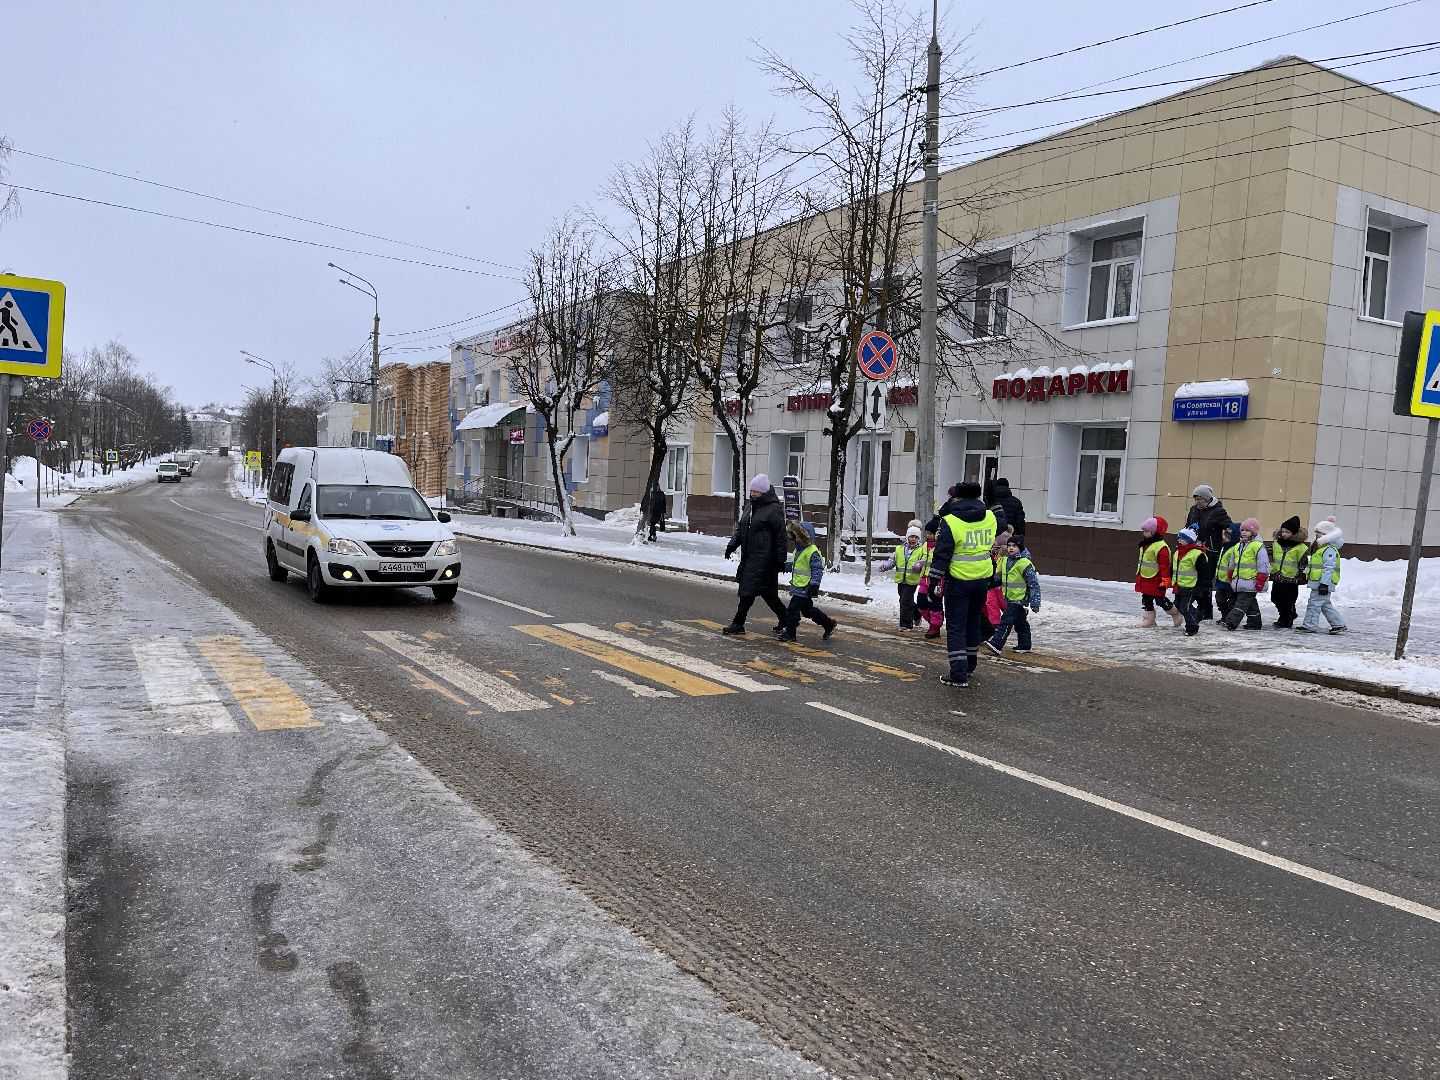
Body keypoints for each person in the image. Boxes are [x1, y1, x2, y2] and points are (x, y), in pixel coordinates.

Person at [927, 480, 998, 688]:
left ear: (956, 496)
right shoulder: (990, 516)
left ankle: (958, 673)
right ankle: (969, 664)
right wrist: (996, 502)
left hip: (958, 579)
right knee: (973, 621)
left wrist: (933, 580)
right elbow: (1001, 520)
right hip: (982, 578)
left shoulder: (950, 520)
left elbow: (942, 553)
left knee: (957, 626)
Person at [721, 474, 788, 635]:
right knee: (768, 594)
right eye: (751, 491)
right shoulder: (750, 507)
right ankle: (786, 618)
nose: (752, 494)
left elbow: (781, 537)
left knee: (747, 592)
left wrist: (780, 560)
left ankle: (738, 623)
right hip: (749, 557)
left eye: (756, 491)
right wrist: (732, 545)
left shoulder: (774, 510)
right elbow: (741, 528)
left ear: (764, 492)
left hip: (765, 559)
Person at [778, 520, 837, 642]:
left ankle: (790, 633)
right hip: (799, 585)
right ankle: (828, 623)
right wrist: (783, 567)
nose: (793, 539)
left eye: (796, 536)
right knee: (807, 611)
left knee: (792, 610)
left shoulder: (812, 551)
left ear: (803, 536)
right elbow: (797, 566)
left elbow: (817, 570)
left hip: (805, 587)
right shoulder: (799, 550)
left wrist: (814, 585)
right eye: (793, 536)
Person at [984, 534, 1041, 655]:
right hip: (1009, 597)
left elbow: (1034, 584)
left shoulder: (1025, 563)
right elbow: (1000, 578)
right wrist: (989, 584)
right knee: (1020, 623)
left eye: (1014, 546)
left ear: (1020, 547)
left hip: (1019, 598)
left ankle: (997, 644)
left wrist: (1035, 602)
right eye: (1009, 545)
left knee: (1006, 620)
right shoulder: (1006, 560)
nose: (1010, 548)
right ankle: (1025, 644)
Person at [1185, 484, 1233, 621]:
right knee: (1196, 578)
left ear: (1207, 499)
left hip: (1210, 550)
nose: (1197, 502)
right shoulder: (1193, 510)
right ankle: (1202, 607)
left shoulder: (1218, 511)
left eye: (1200, 499)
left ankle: (1205, 610)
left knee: (1205, 580)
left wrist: (1225, 540)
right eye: (1195, 499)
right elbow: (1188, 526)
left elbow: (1229, 527)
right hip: (1194, 549)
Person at [1296, 516, 1348, 635]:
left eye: (1320, 533)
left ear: (1328, 535)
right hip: (1318, 582)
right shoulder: (1321, 549)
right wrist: (1306, 574)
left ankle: (1309, 625)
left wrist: (1324, 584)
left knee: (1314, 604)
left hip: (1322, 582)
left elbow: (1328, 568)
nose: (1317, 535)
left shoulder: (1329, 550)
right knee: (1324, 604)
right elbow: (1315, 566)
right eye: (1317, 532)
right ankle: (1338, 624)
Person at [1220, 517, 1269, 630]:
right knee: (1251, 605)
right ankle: (1255, 623)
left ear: (1254, 532)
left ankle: (1231, 621)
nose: (1244, 533)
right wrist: (1230, 574)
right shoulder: (1238, 546)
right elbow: (1232, 562)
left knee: (1241, 603)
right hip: (1238, 581)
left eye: (1247, 530)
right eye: (1242, 530)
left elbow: (1263, 565)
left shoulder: (1258, 546)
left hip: (1251, 581)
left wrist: (1261, 580)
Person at [876, 525, 926, 630]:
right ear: (907, 537)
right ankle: (917, 613)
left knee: (905, 601)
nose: (913, 539)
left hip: (912, 580)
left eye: (916, 537)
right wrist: (885, 566)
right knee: (904, 600)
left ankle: (905, 624)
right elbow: (892, 561)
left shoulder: (921, 550)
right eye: (911, 536)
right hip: (901, 580)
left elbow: (922, 561)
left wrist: (919, 565)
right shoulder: (899, 549)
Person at [1136, 516, 1181, 628]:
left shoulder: (1161, 546)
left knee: (1160, 600)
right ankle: (1149, 620)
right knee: (1146, 599)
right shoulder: (1145, 544)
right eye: (1144, 531)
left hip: (1156, 578)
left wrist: (1165, 580)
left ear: (1155, 532)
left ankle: (1176, 614)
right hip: (1146, 577)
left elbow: (1164, 566)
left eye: (1147, 531)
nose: (1144, 534)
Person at [1268, 515, 1309, 630]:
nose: (1284, 534)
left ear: (1294, 533)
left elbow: (1303, 563)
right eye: (1283, 531)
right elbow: (1268, 553)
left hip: (1291, 579)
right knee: (1275, 598)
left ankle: (1286, 620)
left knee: (1288, 601)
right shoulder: (1276, 544)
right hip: (1277, 577)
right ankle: (1289, 614)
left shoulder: (1300, 548)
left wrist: (1302, 575)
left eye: (1287, 532)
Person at [1172, 525, 1204, 637]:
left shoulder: (1197, 554)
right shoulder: (1177, 552)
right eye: (1179, 538)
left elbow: (1203, 573)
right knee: (1178, 605)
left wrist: (1200, 587)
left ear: (1189, 540)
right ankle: (1198, 615)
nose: (1179, 540)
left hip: (1190, 586)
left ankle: (1192, 628)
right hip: (1179, 584)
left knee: (1185, 607)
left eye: (1183, 538)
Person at [914, 527, 944, 639]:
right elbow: (921, 558)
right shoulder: (924, 546)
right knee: (921, 603)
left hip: (937, 580)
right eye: (927, 533)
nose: (928, 536)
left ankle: (935, 627)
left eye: (931, 533)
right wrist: (918, 564)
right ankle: (933, 622)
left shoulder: (941, 546)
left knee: (935, 604)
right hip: (924, 579)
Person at [1213, 522, 1243, 622]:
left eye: (1228, 536)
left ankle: (1229, 618)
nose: (1224, 538)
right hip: (1221, 580)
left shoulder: (1235, 549)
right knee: (1220, 600)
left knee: (1231, 602)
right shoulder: (1223, 547)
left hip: (1230, 581)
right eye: (1224, 535)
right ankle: (1224, 616)